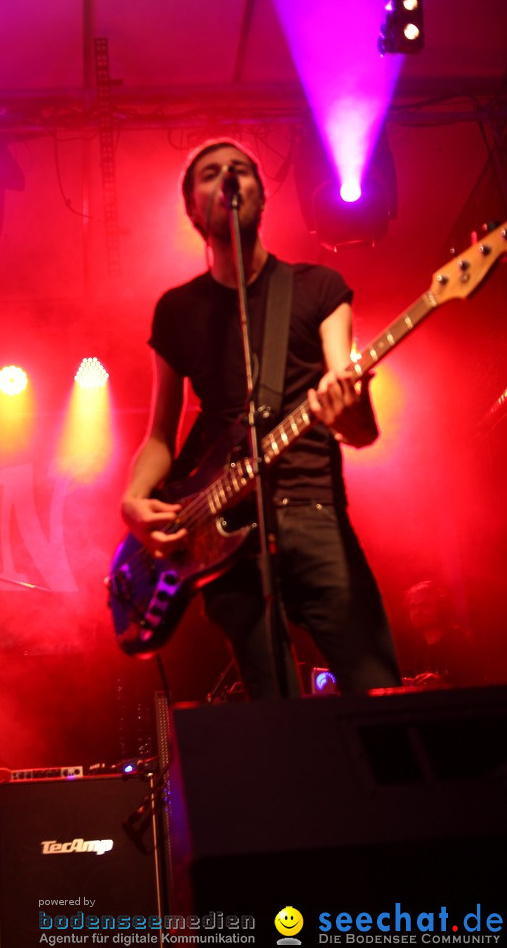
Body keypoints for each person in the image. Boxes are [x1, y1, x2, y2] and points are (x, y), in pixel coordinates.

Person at [120, 138, 401, 699]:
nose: (229, 178)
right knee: (276, 719)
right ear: (192, 210)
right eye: (211, 173)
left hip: (314, 513)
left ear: (260, 196)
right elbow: (159, 435)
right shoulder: (177, 311)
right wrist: (133, 497)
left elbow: (360, 431)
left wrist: (344, 405)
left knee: (377, 696)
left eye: (241, 170)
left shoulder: (319, 287)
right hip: (221, 541)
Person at [404, 579, 486, 688]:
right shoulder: (421, 649)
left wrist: (443, 684)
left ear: (442, 608)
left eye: (425, 605)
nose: (417, 611)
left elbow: (476, 688)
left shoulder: (459, 643)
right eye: (413, 606)